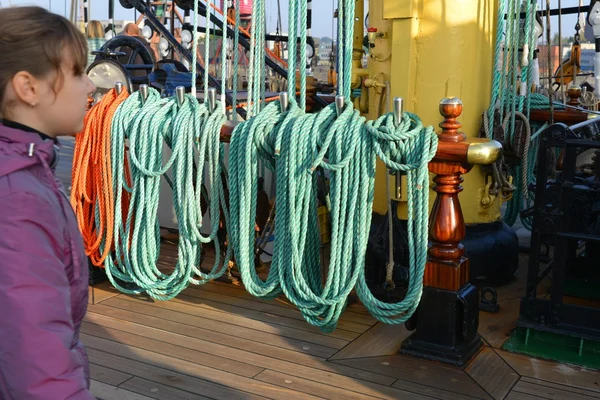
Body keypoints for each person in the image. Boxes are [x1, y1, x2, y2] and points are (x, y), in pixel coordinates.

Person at [0, 6, 96, 400]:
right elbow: (35, 364)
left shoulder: (25, 172)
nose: (91, 85)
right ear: (29, 88)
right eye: (76, 72)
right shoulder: (18, 201)